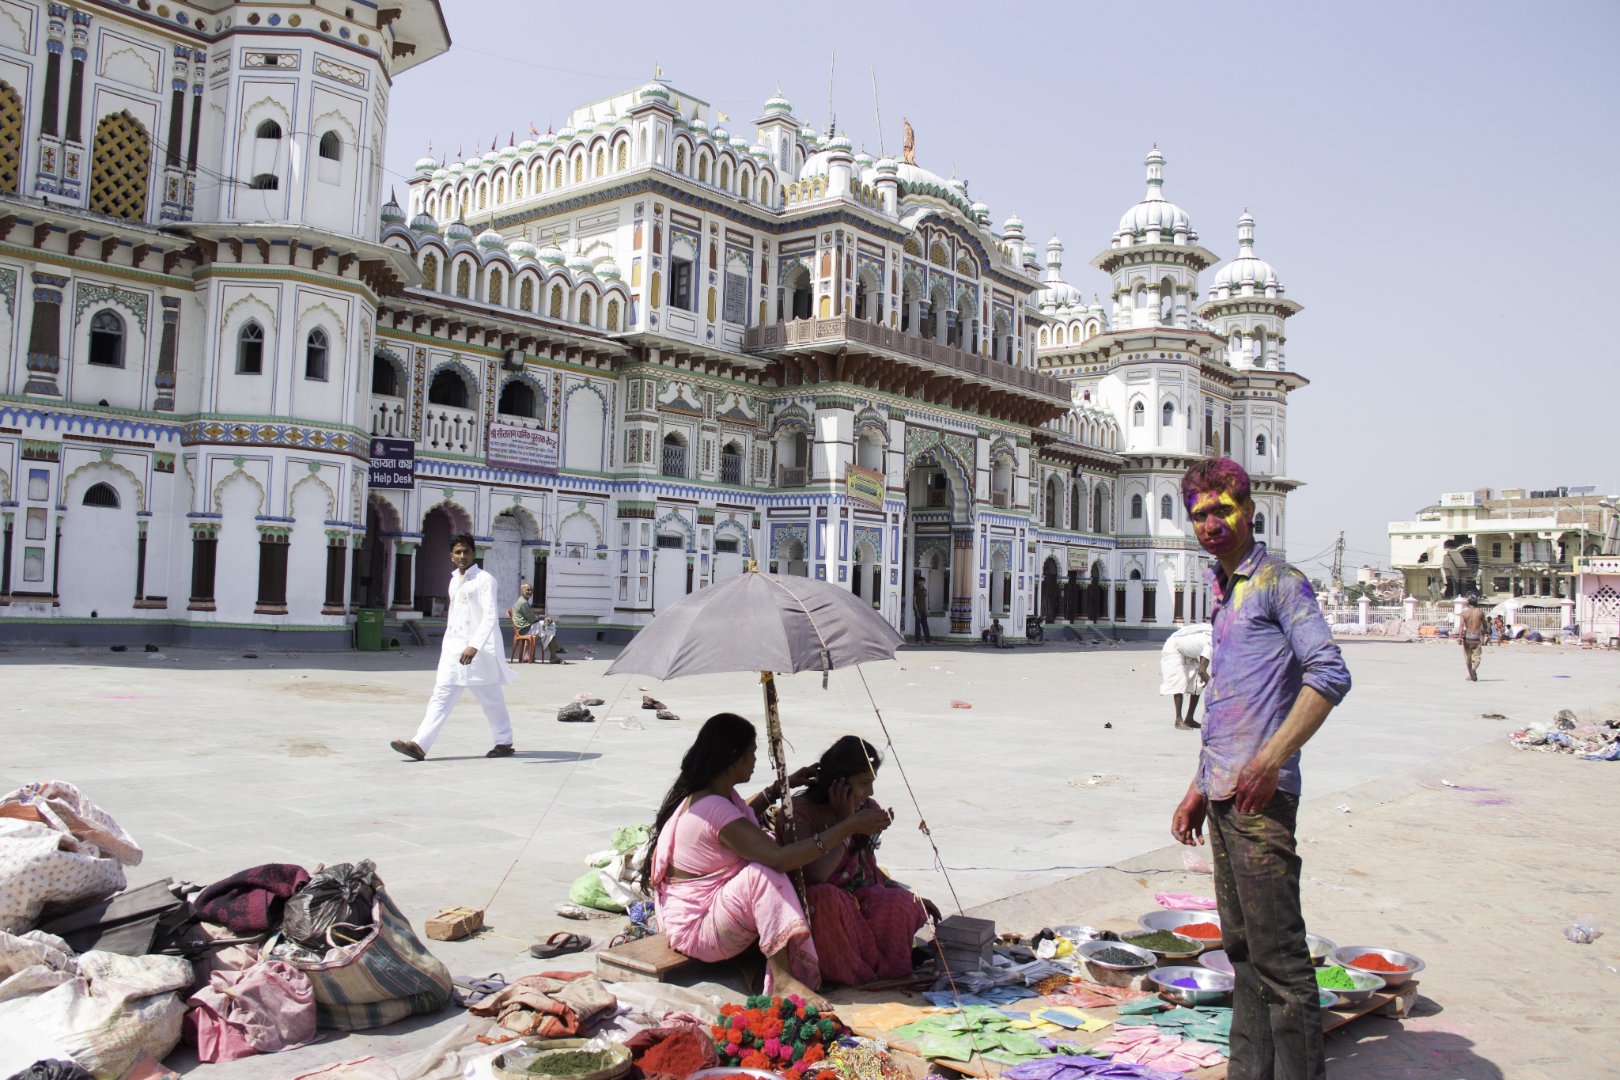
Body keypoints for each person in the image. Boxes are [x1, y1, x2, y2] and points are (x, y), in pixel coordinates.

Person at [1169, 458, 1351, 1080]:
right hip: (1223, 797)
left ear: (1249, 511)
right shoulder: (1224, 593)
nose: (1211, 524)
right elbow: (1229, 705)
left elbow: (1328, 675)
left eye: (1223, 510)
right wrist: (1197, 790)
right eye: (1200, 514)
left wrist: (1272, 760)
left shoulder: (1278, 581)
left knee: (1280, 962)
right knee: (1242, 953)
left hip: (1261, 802)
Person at [644, 713, 890, 1000]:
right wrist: (847, 827)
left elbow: (741, 816)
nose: (755, 760)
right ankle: (783, 979)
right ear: (734, 757)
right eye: (752, 752)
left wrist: (776, 790)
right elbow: (780, 859)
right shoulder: (715, 807)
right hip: (696, 929)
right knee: (765, 872)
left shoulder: (718, 798)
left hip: (706, 914)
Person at [788, 736, 939, 987]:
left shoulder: (867, 807)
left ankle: (885, 973)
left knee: (900, 902)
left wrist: (907, 895)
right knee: (824, 898)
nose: (869, 792)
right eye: (864, 783)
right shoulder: (801, 811)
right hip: (828, 911)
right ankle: (861, 975)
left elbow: (866, 869)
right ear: (838, 784)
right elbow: (815, 876)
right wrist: (846, 825)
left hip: (862, 901)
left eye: (872, 783)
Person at [391, 533, 517, 761]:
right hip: (453, 650)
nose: (462, 556)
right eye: (457, 552)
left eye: (466, 551)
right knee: (440, 696)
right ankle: (419, 744)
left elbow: (489, 616)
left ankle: (504, 741)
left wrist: (474, 645)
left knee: (491, 698)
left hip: (479, 652)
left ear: (474, 553)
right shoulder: (453, 580)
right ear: (451, 556)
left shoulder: (484, 579)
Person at [1161, 622, 1213, 730]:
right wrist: (1215, 687)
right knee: (1179, 681)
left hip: (1188, 653)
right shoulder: (1210, 643)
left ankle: (1189, 719)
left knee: (1198, 683)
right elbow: (1202, 671)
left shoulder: (1215, 640)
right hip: (1174, 648)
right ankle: (1178, 720)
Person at [1457, 596, 1487, 682]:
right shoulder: (1480, 613)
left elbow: (1461, 626)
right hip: (1476, 638)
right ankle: (1473, 670)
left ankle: (1471, 674)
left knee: (1468, 658)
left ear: (1468, 603)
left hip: (1467, 638)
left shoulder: (1464, 613)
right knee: (1477, 657)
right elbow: (1485, 625)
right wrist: (1484, 633)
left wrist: (1459, 637)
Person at [509, 581, 540, 663]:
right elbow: (533, 619)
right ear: (521, 591)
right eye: (527, 590)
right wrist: (538, 617)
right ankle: (554, 654)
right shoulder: (523, 602)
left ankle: (528, 655)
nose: (530, 592)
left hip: (522, 628)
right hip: (523, 629)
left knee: (546, 627)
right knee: (549, 626)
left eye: (531, 590)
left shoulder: (521, 601)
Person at [911, 574, 933, 644]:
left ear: (924, 582)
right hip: (918, 610)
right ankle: (918, 640)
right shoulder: (916, 590)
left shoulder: (924, 590)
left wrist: (927, 610)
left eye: (923, 581)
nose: (922, 582)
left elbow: (925, 601)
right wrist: (916, 611)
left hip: (924, 610)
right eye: (920, 581)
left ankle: (928, 639)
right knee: (918, 626)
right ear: (918, 582)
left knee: (925, 625)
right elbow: (914, 601)